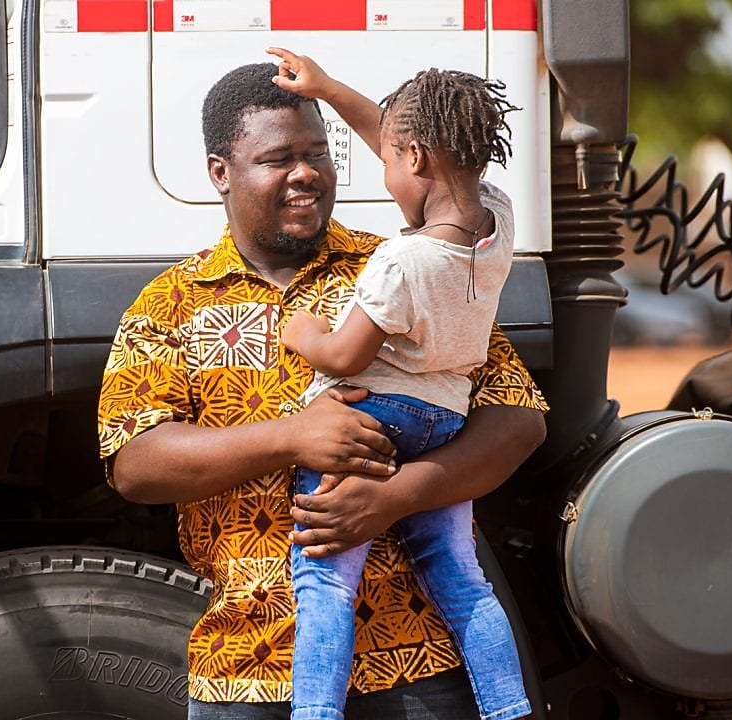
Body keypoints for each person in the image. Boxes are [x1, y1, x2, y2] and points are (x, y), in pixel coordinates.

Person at [97, 60, 547, 719]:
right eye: (279, 158)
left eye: (317, 155)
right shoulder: (170, 304)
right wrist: (292, 436)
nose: (305, 173)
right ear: (221, 172)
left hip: (412, 666)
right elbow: (134, 462)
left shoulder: (403, 262)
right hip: (246, 671)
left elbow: (518, 417)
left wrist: (393, 498)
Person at [268, 49, 530, 720]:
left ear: (415, 158)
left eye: (389, 162)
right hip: (445, 420)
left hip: (373, 417)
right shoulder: (497, 221)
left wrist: (303, 334)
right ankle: (509, 711)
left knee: (326, 583)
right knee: (465, 583)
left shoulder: (401, 261)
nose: (385, 174)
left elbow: (348, 355)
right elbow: (399, 137)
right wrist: (327, 88)